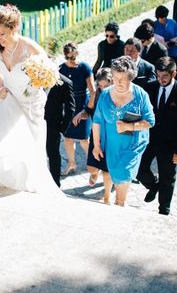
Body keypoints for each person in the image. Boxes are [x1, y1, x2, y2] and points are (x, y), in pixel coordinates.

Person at [0, 4, 62, 195]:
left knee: (27, 148)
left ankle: (26, 186)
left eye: (2, 34)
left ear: (14, 28)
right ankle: (5, 181)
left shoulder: (29, 47)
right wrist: (0, 87)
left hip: (30, 104)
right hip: (7, 99)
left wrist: (37, 81)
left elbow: (48, 71)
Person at [92, 56, 154, 206]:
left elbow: (150, 121)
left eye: (123, 79)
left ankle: (121, 206)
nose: (118, 82)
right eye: (115, 78)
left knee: (122, 175)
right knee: (116, 174)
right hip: (112, 144)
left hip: (133, 144)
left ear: (131, 78)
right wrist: (96, 145)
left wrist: (128, 126)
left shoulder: (141, 95)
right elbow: (97, 121)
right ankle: (120, 205)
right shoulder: (105, 94)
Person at [137, 57, 177, 215]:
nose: (161, 80)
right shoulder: (149, 88)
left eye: (165, 76)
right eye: (158, 75)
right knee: (139, 170)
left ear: (174, 73)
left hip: (170, 144)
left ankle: (164, 210)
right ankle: (154, 186)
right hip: (148, 140)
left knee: (167, 178)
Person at [72, 68, 113, 196]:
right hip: (96, 133)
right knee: (91, 168)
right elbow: (88, 111)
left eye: (105, 86)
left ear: (112, 82)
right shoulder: (95, 94)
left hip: (111, 135)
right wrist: (81, 114)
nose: (103, 89)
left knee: (108, 169)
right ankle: (95, 173)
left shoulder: (117, 94)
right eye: (100, 86)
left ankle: (107, 196)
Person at [59, 42, 95, 175]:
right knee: (68, 137)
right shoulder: (61, 69)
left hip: (82, 105)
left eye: (73, 58)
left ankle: (92, 163)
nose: (71, 61)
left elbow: (93, 92)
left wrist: (87, 111)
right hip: (69, 106)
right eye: (68, 58)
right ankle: (72, 163)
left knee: (84, 139)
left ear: (77, 54)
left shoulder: (84, 67)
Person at [44, 71, 75, 187]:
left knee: (53, 154)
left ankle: (55, 183)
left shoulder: (65, 83)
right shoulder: (34, 75)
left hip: (53, 124)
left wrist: (62, 128)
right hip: (35, 121)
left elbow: (70, 108)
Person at [153, 6, 177, 78]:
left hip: (173, 52)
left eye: (165, 17)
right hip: (161, 54)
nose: (164, 19)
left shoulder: (172, 22)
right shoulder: (154, 25)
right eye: (161, 18)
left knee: (175, 73)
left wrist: (174, 39)